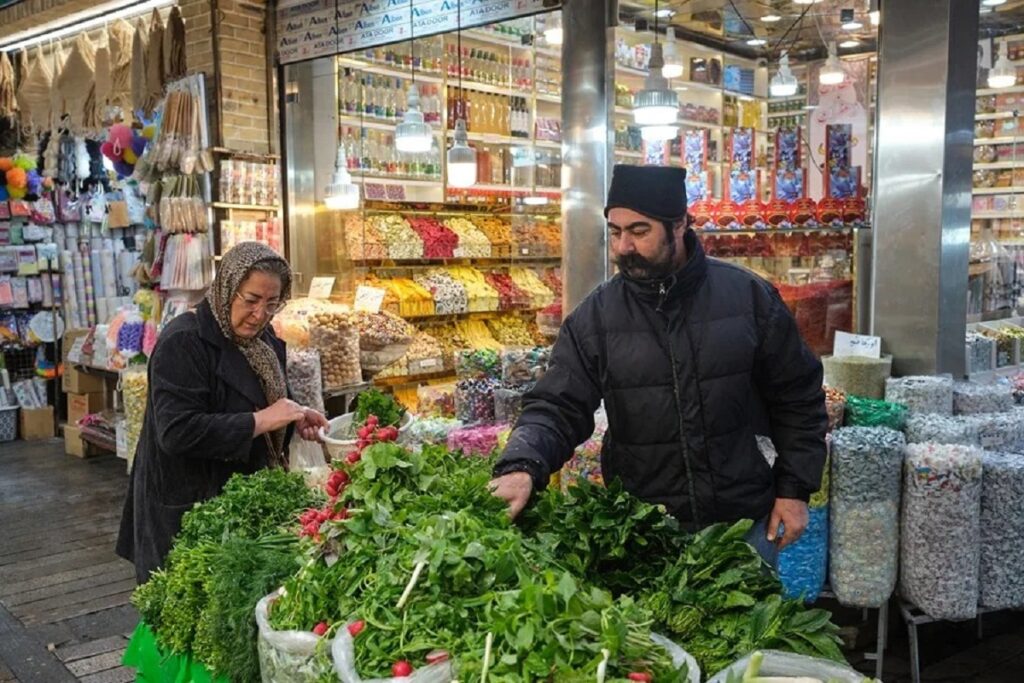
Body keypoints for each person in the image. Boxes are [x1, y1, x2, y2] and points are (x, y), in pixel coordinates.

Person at [490, 165, 827, 566]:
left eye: (639, 231)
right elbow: (557, 406)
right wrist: (522, 465)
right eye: (615, 233)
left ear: (680, 224)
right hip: (644, 529)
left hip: (742, 527)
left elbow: (798, 397)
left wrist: (794, 489)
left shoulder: (748, 298)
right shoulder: (595, 318)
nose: (624, 247)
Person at [116, 242, 328, 582]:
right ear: (227, 286)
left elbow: (266, 402)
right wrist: (260, 421)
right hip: (189, 508)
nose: (260, 314)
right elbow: (177, 431)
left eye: (272, 303)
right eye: (251, 300)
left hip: (236, 508)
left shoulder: (264, 341)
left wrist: (293, 416)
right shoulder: (183, 342)